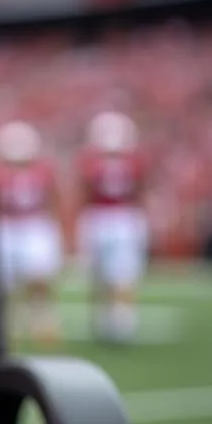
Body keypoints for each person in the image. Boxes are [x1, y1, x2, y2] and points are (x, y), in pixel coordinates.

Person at [76, 111, 147, 344]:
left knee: (110, 274)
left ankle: (110, 321)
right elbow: (140, 191)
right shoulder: (133, 160)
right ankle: (120, 323)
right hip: (121, 217)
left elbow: (85, 190)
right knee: (114, 274)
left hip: (105, 217)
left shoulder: (91, 161)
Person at [0, 120, 63, 345]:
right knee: (3, 283)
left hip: (34, 224)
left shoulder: (43, 171)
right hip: (6, 226)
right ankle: (7, 321)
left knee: (39, 276)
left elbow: (53, 199)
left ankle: (41, 318)